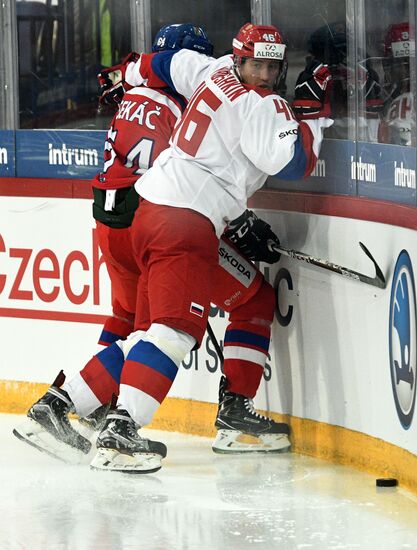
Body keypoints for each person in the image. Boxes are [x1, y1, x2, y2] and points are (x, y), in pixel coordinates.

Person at [15, 22, 332, 473]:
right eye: (255, 64)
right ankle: (122, 432)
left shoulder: (210, 69)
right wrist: (313, 115)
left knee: (149, 333)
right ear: (239, 59)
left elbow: (160, 63)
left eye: (270, 66)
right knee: (174, 332)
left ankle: (59, 404)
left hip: (151, 209)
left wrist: (127, 72)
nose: (262, 73)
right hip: (185, 221)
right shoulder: (264, 107)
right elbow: (298, 162)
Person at [378, 21, 415, 146]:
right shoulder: (389, 100)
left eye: (409, 64)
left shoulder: (391, 102)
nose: (405, 72)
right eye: (400, 65)